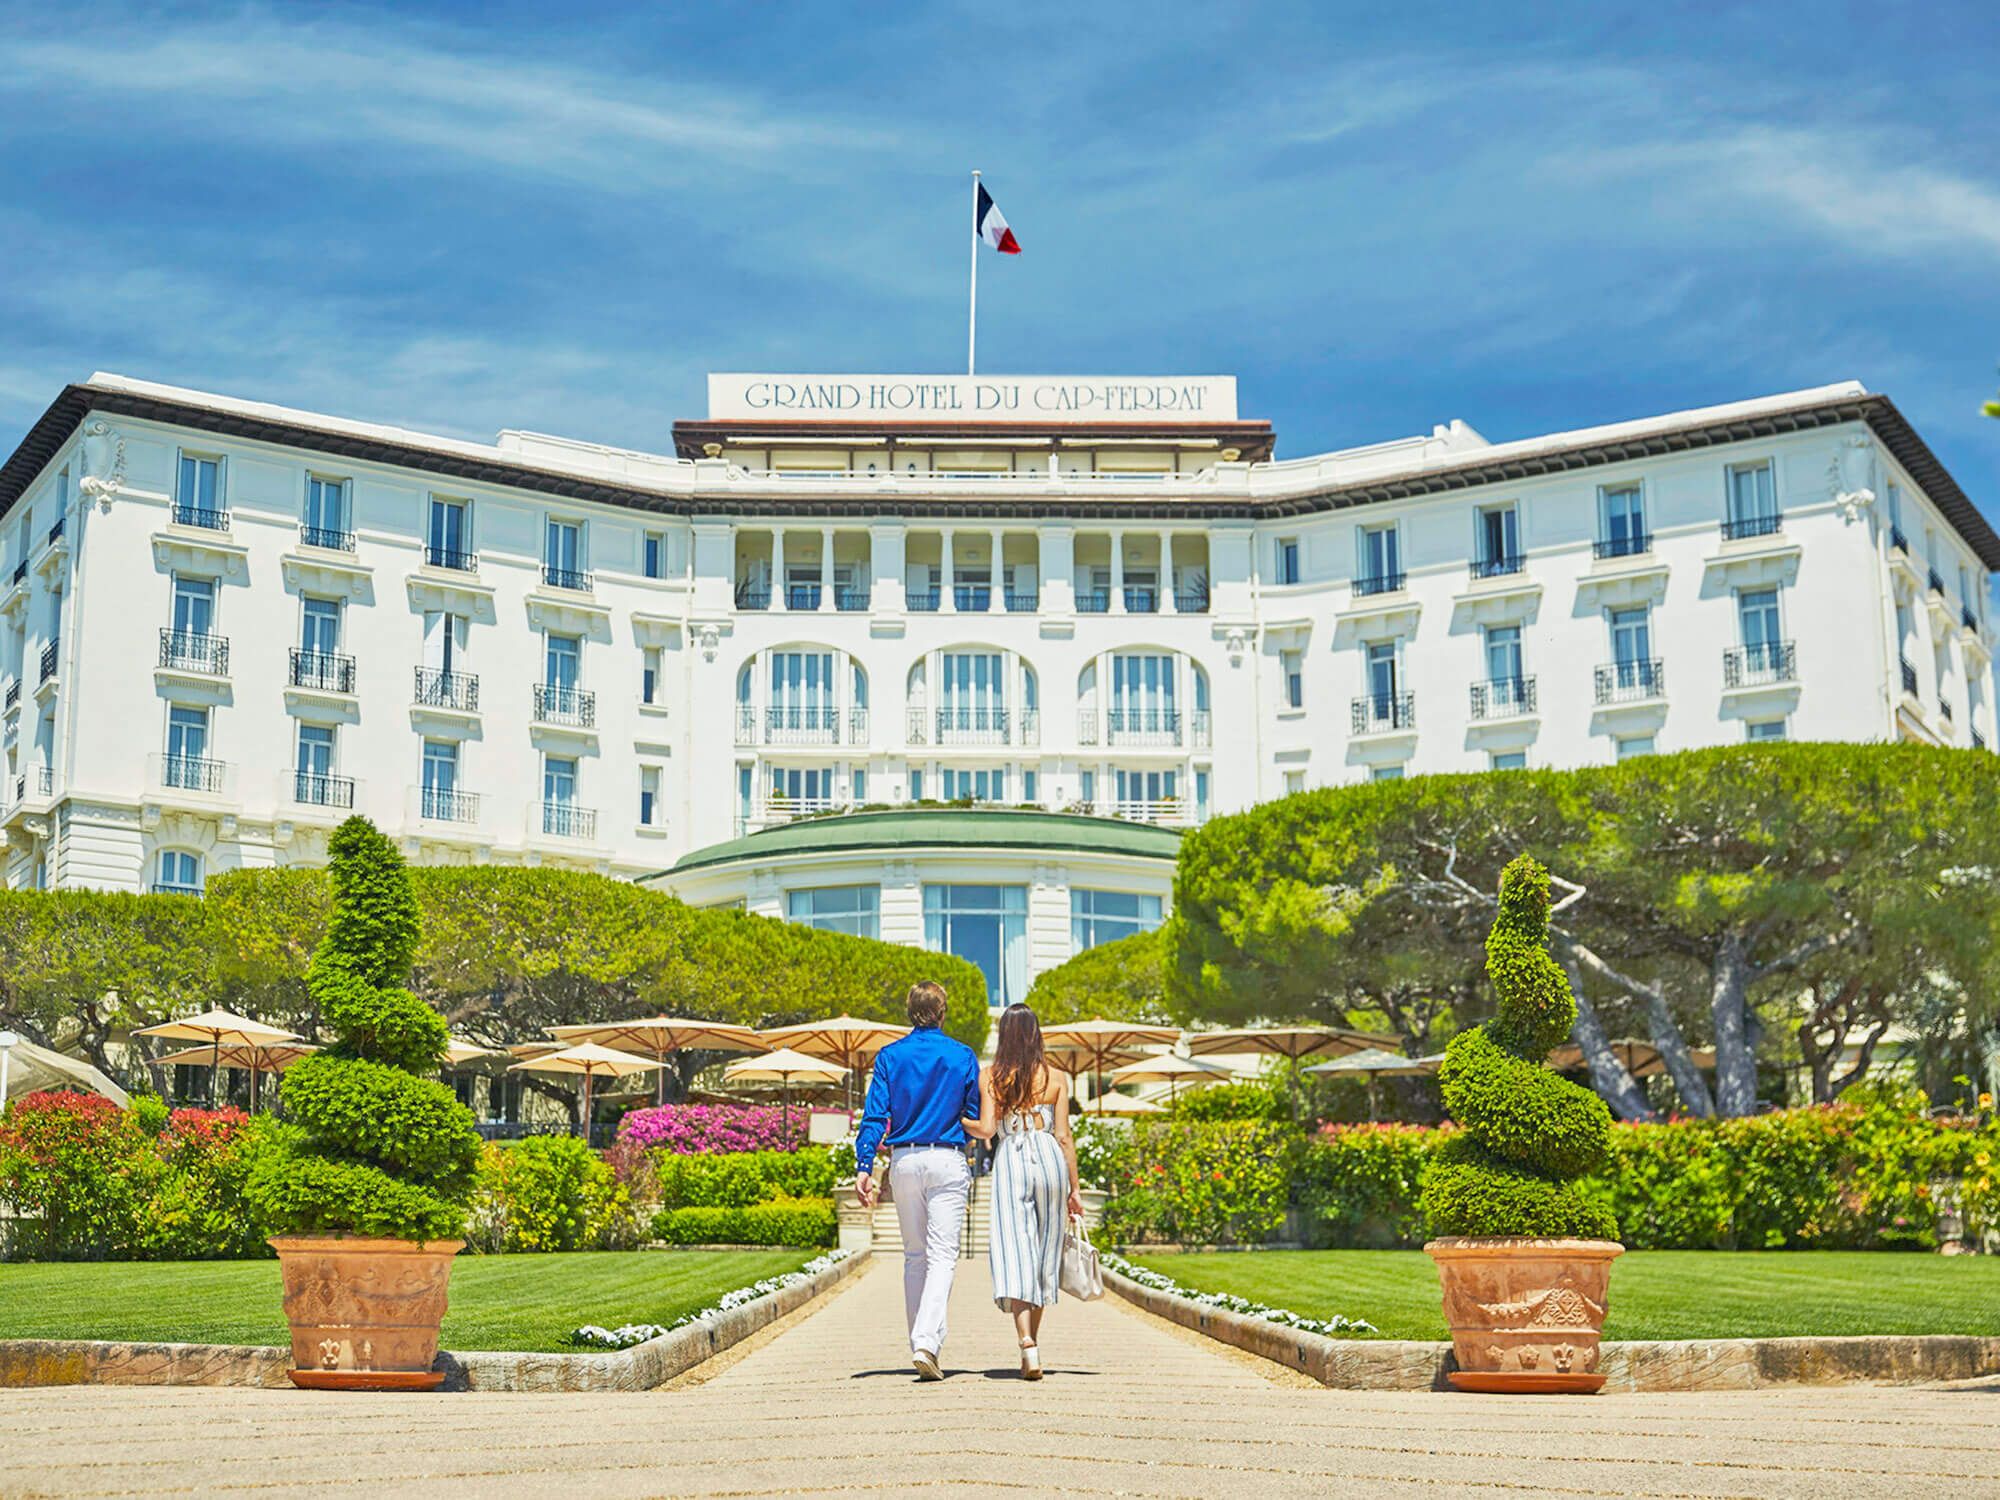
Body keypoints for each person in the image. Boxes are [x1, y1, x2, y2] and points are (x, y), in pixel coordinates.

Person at [853, 980, 981, 1381]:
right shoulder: (962, 1055)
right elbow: (973, 1114)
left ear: (910, 1012)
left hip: (904, 1158)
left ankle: (920, 1342)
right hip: (946, 1157)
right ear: (943, 1013)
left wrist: (864, 1164)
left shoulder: (890, 1056)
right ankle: (926, 1342)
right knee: (943, 1256)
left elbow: (875, 1114)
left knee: (914, 1256)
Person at [961, 1003, 1085, 1380]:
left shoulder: (991, 1076)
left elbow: (985, 1130)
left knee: (1016, 1251)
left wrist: (959, 1119)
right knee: (1046, 1250)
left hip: (1012, 1159)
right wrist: (1074, 1189)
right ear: (1036, 1034)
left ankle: (1026, 1343)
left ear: (1004, 1036)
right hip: (1049, 1159)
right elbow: (1063, 1137)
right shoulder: (1057, 1078)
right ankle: (1033, 1345)